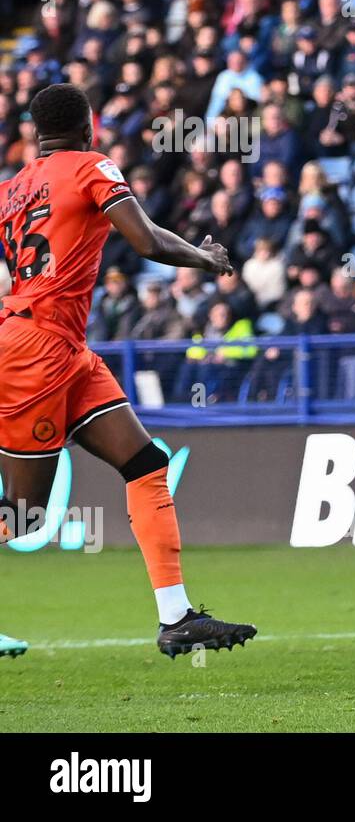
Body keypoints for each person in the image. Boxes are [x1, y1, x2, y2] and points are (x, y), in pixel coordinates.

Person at [0, 84, 255, 657]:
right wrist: (206, 258)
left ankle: (176, 616)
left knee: (145, 462)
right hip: (36, 352)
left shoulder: (11, 189)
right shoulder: (93, 166)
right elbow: (145, 240)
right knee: (25, 514)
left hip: (61, 350)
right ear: (88, 126)